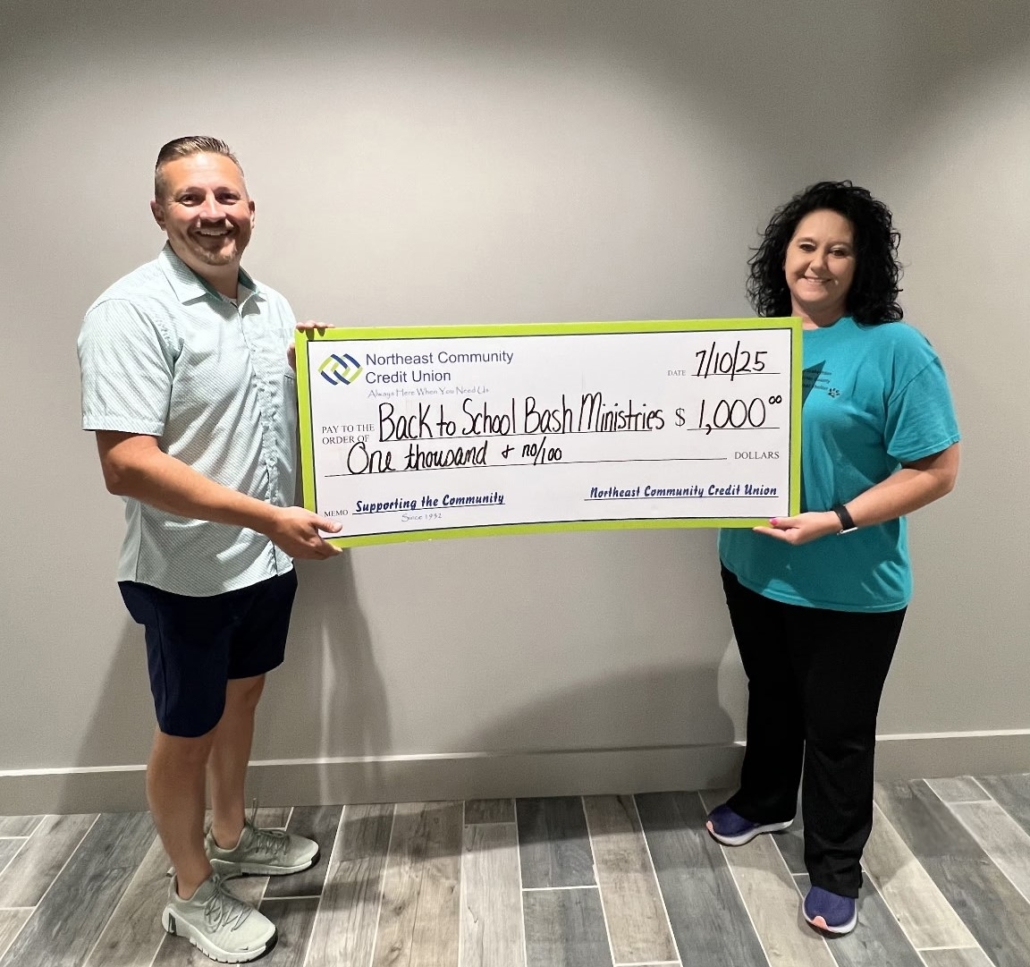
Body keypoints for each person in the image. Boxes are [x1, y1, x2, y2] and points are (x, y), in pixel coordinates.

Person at [77, 136, 342, 963]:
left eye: (226, 196)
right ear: (159, 212)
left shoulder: (271, 308)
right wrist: (266, 518)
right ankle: (191, 892)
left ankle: (229, 836)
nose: (212, 213)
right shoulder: (131, 312)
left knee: (242, 700)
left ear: (250, 208)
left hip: (264, 562)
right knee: (186, 731)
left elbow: (266, 418)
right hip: (187, 573)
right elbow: (127, 464)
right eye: (190, 198)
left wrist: (320, 367)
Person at [707, 181, 961, 935]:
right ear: (782, 255)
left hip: (851, 586)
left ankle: (835, 868)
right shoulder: (750, 346)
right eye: (806, 246)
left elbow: (936, 469)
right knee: (770, 692)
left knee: (839, 730)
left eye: (839, 251)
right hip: (752, 567)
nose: (818, 263)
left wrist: (837, 519)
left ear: (863, 263)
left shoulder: (896, 348)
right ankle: (765, 800)